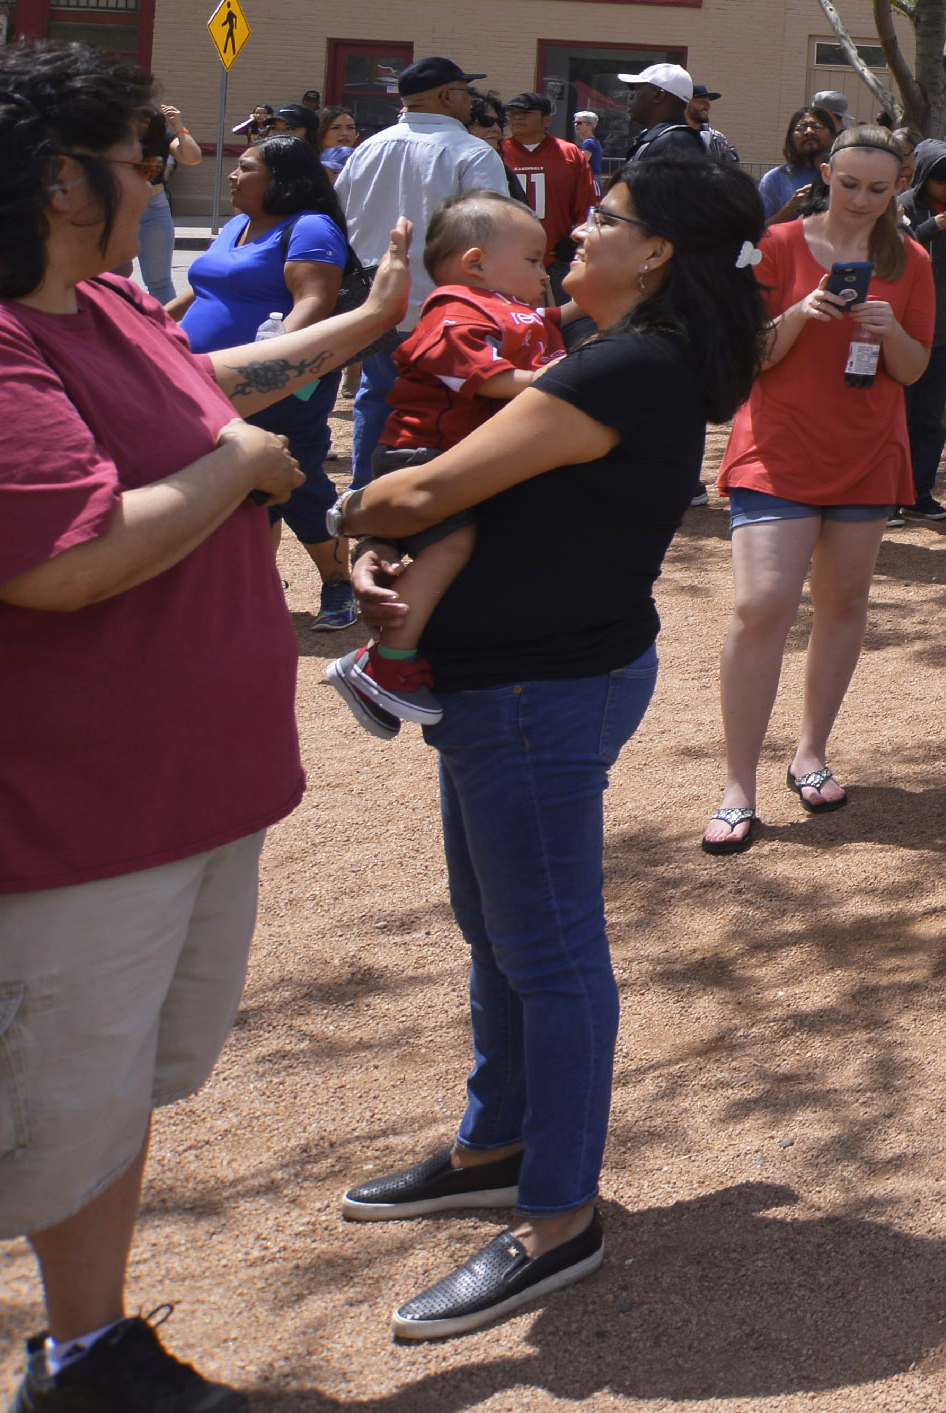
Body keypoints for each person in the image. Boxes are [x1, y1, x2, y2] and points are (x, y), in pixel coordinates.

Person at [0, 41, 411, 1407]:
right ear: (60, 179)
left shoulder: (90, 306)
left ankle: (87, 1349)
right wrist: (240, 472)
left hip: (155, 822)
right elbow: (64, 558)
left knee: (96, 1114)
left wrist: (362, 322)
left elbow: (214, 390)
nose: (166, 178)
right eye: (147, 157)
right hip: (35, 846)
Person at [325, 153, 762, 1340]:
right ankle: (499, 1144)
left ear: (659, 251)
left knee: (551, 952)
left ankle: (560, 1215)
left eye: (605, 221)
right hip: (512, 681)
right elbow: (471, 495)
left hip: (536, 691)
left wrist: (345, 511)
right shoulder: (603, 352)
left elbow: (417, 497)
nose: (580, 232)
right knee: (498, 930)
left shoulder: (626, 365)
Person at [705, 129, 931, 853]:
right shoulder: (772, 247)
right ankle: (738, 785)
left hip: (866, 451)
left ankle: (810, 751)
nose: (863, 200)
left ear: (899, 186)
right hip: (779, 448)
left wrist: (889, 326)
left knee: (843, 603)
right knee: (760, 602)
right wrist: (801, 313)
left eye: (879, 188)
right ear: (826, 174)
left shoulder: (911, 259)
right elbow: (746, 358)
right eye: (850, 184)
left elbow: (915, 368)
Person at [323, 193, 567, 731]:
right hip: (422, 456)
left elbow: (551, 319)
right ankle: (385, 661)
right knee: (451, 543)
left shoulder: (511, 308)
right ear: (476, 263)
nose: (544, 271)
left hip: (456, 458)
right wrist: (557, 380)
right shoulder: (455, 310)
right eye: (532, 260)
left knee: (461, 547)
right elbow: (485, 379)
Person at [179, 133, 363, 632]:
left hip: (279, 379)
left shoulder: (310, 228)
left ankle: (337, 583)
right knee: (238, 478)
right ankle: (252, 581)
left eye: (246, 168)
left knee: (294, 477)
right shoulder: (238, 223)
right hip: (212, 378)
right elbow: (202, 289)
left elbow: (314, 302)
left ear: (281, 178)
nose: (234, 176)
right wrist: (150, 325)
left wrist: (271, 360)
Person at [336, 56, 511, 488]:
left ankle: (365, 496)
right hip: (445, 309)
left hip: (375, 304)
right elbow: (495, 233)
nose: (470, 100)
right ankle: (429, 501)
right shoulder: (472, 153)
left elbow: (336, 217)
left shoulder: (368, 148)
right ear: (448, 96)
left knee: (376, 396)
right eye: (465, 91)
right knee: (445, 404)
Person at [895, 138, 946, 521]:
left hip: (939, 331)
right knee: (897, 417)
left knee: (929, 418)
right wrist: (929, 227)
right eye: (940, 181)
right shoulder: (903, 207)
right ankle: (887, 494)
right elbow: (893, 251)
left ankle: (918, 492)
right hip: (901, 330)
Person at [493, 93, 598, 291]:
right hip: (505, 257)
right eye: (513, 114)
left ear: (546, 119)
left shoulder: (570, 153)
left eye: (525, 113)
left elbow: (586, 204)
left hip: (557, 259)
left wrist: (573, 243)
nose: (517, 118)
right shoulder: (496, 153)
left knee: (558, 318)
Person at [130, 104, 202, 302]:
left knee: (159, 281)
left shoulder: (161, 138)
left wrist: (178, 125)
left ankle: (165, 331)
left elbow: (193, 157)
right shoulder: (113, 139)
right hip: (119, 207)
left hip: (154, 207)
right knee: (113, 274)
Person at [609, 62, 721, 176]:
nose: (631, 96)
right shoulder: (664, 139)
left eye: (637, 88)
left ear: (658, 96)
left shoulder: (674, 142)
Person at [756, 104, 838, 221]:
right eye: (801, 127)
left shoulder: (846, 178)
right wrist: (790, 208)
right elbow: (760, 232)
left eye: (817, 126)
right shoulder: (774, 179)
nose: (809, 131)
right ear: (791, 138)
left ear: (833, 136)